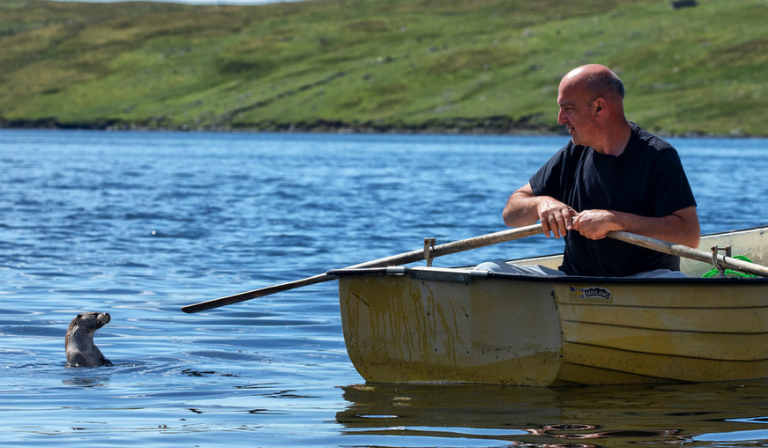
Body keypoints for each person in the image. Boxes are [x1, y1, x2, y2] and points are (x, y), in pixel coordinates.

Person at [492, 64, 700, 277]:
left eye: (568, 109)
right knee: (489, 271)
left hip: (642, 286)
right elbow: (511, 215)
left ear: (599, 107)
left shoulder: (658, 155)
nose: (560, 119)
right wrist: (540, 203)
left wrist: (615, 220)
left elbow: (689, 236)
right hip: (574, 285)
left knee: (672, 279)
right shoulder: (574, 152)